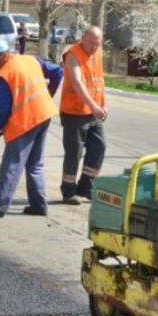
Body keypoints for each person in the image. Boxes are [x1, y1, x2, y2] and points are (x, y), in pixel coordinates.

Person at [0, 39, 63, 218]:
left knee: (12, 164)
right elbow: (57, 72)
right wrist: (48, 95)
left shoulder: (5, 75)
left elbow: (3, 110)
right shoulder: (31, 59)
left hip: (26, 121)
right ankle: (38, 205)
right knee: (35, 163)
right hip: (44, 115)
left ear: (2, 54)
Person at [59, 26, 107, 205]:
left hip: (93, 112)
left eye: (98, 43)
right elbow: (77, 82)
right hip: (74, 112)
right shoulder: (73, 54)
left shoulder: (98, 53)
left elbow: (99, 80)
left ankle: (86, 187)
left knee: (99, 146)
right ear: (83, 39)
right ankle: (68, 191)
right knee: (74, 153)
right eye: (92, 43)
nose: (95, 47)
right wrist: (94, 105)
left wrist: (103, 103)